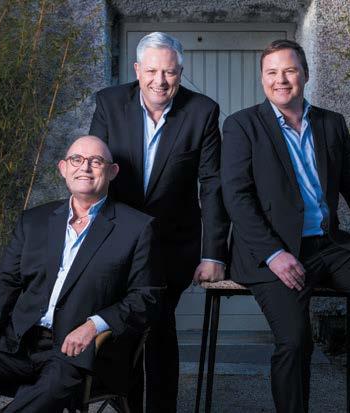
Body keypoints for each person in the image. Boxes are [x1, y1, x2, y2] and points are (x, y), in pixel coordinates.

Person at [220, 39, 350, 413]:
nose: (281, 79)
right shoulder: (242, 125)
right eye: (272, 72)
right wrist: (274, 253)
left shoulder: (331, 123)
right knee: (295, 340)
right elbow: (237, 198)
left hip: (328, 245)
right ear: (262, 79)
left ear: (305, 74)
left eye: (289, 70)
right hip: (273, 252)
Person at [0, 136, 161, 412]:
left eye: (96, 161)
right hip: (19, 342)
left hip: (78, 352)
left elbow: (146, 297)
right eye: (76, 160)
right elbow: (4, 281)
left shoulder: (136, 228)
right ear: (63, 168)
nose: (85, 167)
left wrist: (94, 325)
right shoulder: (34, 221)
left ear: (112, 171)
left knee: (53, 387)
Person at [89, 31, 229, 412]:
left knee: (159, 323)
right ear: (137, 70)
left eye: (169, 72)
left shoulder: (202, 112)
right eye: (151, 71)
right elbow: (93, 170)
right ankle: (129, 405)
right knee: (127, 328)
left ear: (180, 73)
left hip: (173, 244)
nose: (160, 81)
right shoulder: (109, 104)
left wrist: (213, 253)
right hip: (117, 241)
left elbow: (212, 185)